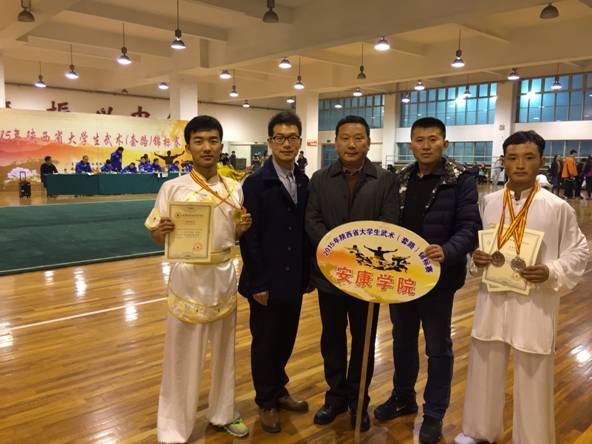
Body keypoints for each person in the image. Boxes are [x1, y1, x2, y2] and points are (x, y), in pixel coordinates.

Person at [454, 131, 589, 444]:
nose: (519, 165)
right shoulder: (488, 202)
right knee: (484, 361)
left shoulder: (557, 207)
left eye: (529, 158)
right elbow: (477, 246)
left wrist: (552, 270)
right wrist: (477, 258)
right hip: (492, 297)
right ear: (503, 161)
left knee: (533, 370)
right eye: (512, 158)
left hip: (535, 301)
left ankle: (533, 439)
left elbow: (579, 250)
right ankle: (478, 431)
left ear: (541, 161)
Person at [145, 115, 253, 443]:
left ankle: (224, 413)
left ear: (221, 145)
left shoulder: (234, 188)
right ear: (189, 146)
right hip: (187, 277)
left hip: (223, 275)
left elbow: (233, 233)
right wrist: (161, 231)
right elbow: (155, 235)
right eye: (199, 141)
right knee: (182, 354)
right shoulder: (172, 188)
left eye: (213, 141)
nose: (207, 147)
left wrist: (241, 229)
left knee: (225, 351)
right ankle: (173, 427)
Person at [374, 117, 481, 444]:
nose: (426, 145)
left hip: (439, 281)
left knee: (438, 347)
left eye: (432, 139)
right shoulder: (400, 178)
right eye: (419, 140)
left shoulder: (460, 179)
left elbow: (470, 228)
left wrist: (447, 251)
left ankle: (434, 413)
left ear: (444, 143)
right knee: (402, 341)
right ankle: (403, 397)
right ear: (410, 145)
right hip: (403, 279)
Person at [305, 115, 398, 432]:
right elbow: (312, 220)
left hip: (366, 279)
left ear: (369, 143)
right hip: (329, 276)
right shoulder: (320, 178)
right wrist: (336, 253)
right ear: (335, 142)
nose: (352, 144)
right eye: (345, 138)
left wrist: (358, 257)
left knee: (363, 341)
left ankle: (359, 401)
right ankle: (335, 397)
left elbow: (388, 223)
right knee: (331, 339)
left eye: (358, 138)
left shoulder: (384, 180)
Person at [239, 111, 311, 433]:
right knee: (265, 342)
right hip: (265, 280)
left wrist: (307, 275)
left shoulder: (303, 180)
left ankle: (279, 388)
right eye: (280, 138)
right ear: (270, 142)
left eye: (292, 137)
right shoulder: (256, 183)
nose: (286, 144)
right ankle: (266, 400)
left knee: (286, 338)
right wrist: (258, 282)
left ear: (299, 141)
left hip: (293, 278)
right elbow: (249, 237)